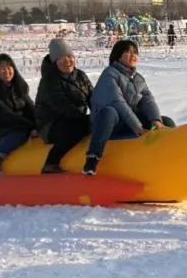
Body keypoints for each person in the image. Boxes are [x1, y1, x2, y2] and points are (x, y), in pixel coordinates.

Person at [83, 40, 175, 176]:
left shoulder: (138, 78)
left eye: (135, 52)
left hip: (127, 123)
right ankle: (93, 158)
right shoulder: (110, 74)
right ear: (118, 56)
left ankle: (172, 157)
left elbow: (147, 100)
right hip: (108, 125)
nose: (133, 55)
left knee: (166, 121)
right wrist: (137, 126)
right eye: (128, 52)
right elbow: (117, 101)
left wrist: (156, 120)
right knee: (110, 112)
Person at [35, 39, 93, 174]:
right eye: (62, 58)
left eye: (70, 56)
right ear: (55, 62)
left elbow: (92, 96)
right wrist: (84, 118)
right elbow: (60, 104)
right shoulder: (49, 80)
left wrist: (99, 112)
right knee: (75, 130)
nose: (67, 61)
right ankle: (51, 162)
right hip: (51, 124)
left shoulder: (80, 75)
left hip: (74, 118)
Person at [0, 54, 37, 176]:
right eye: (2, 68)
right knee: (19, 133)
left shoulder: (18, 87)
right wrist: (29, 126)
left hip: (17, 123)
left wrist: (40, 123)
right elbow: (4, 113)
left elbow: (31, 108)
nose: (7, 71)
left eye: (9, 67)